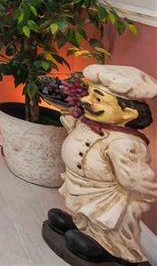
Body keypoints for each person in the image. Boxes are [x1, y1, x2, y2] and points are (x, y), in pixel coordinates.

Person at [47, 64, 157, 264]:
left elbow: (138, 180)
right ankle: (80, 225)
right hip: (83, 187)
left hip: (107, 196)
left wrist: (142, 191)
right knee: (85, 210)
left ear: (128, 115)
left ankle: (109, 249)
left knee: (108, 222)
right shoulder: (91, 122)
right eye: (89, 94)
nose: (86, 101)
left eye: (98, 99)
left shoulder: (125, 144)